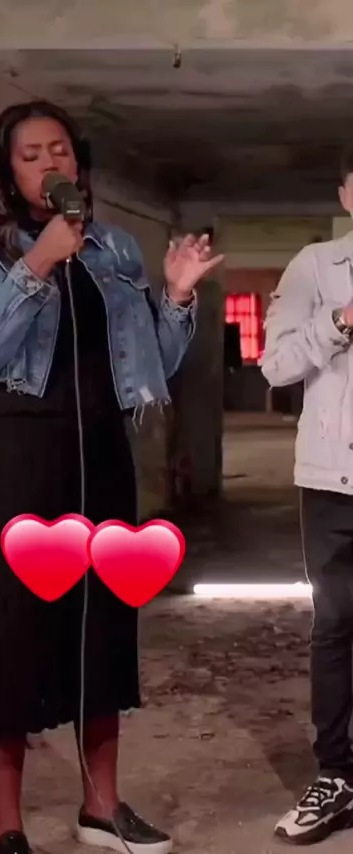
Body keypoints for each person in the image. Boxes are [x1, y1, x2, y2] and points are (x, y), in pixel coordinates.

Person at [0, 99, 223, 854]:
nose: (49, 163)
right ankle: (6, 825)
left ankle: (102, 806)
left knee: (99, 630)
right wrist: (37, 262)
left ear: (78, 162)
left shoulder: (115, 247)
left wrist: (177, 295)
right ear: (6, 171)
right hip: (10, 455)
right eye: (31, 154)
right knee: (6, 633)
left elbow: (150, 363)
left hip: (98, 454)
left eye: (60, 150)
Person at [261, 148, 353, 846]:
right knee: (337, 625)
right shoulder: (315, 267)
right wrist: (340, 322)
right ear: (347, 195)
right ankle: (338, 773)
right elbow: (276, 365)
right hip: (333, 480)